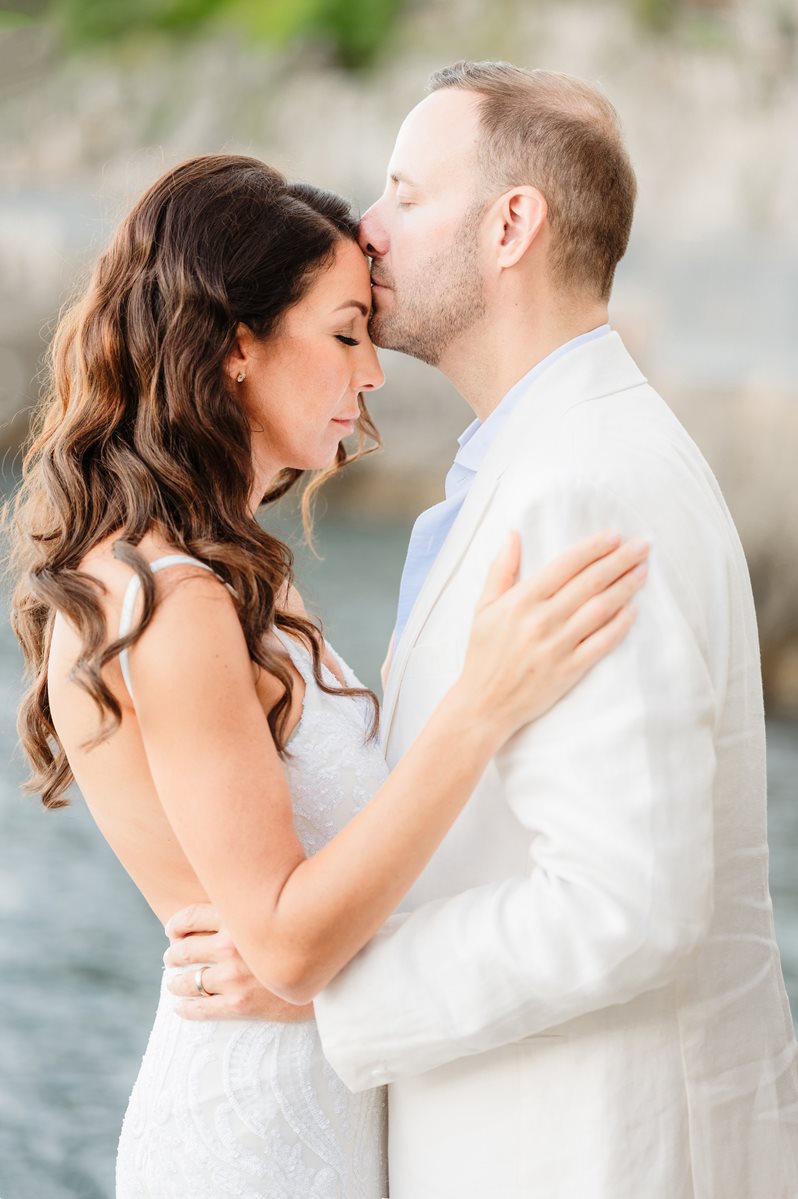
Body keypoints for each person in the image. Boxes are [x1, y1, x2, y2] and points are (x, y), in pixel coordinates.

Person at [168, 63, 798, 1197]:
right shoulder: (542, 461)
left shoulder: (585, 485)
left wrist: (329, 989)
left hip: (591, 1154)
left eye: (408, 191)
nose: (369, 223)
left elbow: (625, 903)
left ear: (512, 225)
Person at [8, 152, 648, 1198]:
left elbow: (313, 931)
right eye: (346, 332)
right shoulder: (172, 596)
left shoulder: (229, 572)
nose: (374, 371)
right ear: (233, 348)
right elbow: (287, 942)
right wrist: (481, 702)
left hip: (323, 1104)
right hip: (252, 1137)